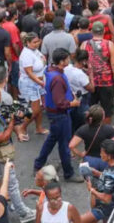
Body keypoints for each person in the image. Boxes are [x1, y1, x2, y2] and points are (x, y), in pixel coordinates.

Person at [0, 85, 35, 221]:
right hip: (0, 155)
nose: (1, 96)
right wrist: (12, 122)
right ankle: (23, 213)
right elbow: (1, 137)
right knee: (12, 184)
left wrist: (11, 116)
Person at [34, 48, 83, 182]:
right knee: (64, 145)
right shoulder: (57, 78)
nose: (69, 60)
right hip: (60, 115)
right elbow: (60, 102)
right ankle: (68, 173)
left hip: (54, 114)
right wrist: (73, 103)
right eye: (67, 58)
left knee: (52, 139)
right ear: (62, 61)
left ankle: (38, 163)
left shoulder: (52, 72)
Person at [78, 140, 114, 223]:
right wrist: (97, 173)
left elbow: (107, 199)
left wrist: (91, 189)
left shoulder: (110, 174)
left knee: (78, 221)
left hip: (105, 207)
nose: (100, 155)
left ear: (109, 156)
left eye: (102, 152)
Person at [69, 106, 114, 170]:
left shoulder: (83, 129)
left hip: (90, 160)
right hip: (105, 159)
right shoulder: (109, 129)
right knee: (106, 178)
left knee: (90, 178)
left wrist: (81, 154)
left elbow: (71, 146)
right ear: (103, 117)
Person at [18, 32, 49, 138]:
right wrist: (40, 82)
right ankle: (22, 127)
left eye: (38, 41)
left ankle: (39, 128)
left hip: (38, 82)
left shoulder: (35, 51)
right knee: (35, 110)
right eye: (34, 42)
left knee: (39, 108)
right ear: (27, 43)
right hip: (30, 83)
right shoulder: (26, 54)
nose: (37, 44)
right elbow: (29, 73)